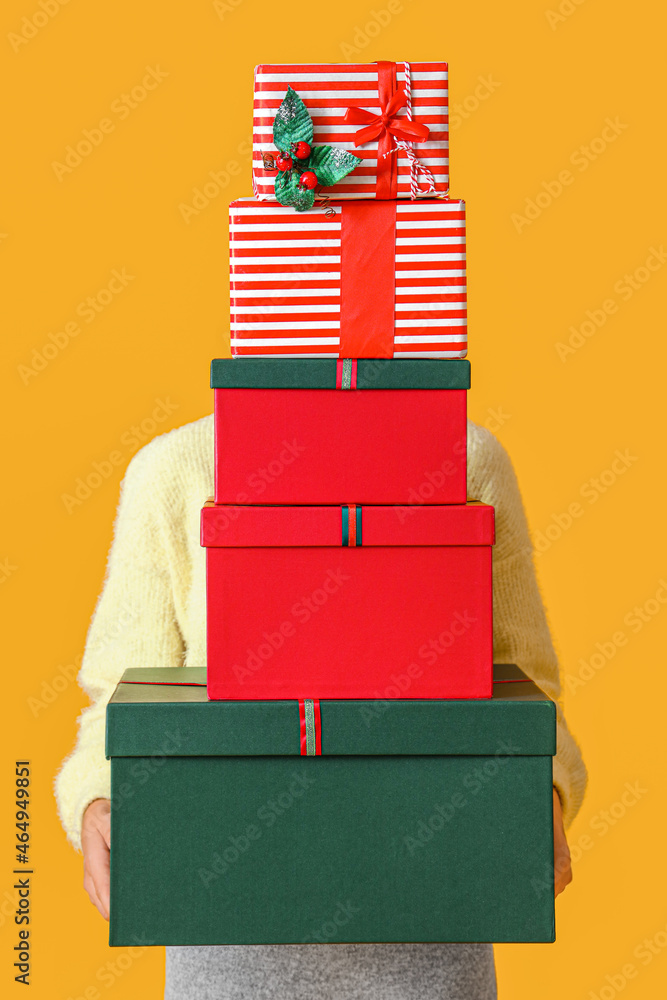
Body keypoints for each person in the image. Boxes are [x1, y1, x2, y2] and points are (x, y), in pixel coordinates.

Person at [55, 413, 587, 1000]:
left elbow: (522, 674)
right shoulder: (173, 469)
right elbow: (120, 686)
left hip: (434, 934)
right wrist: (99, 794)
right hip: (226, 940)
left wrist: (543, 788)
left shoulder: (465, 458)